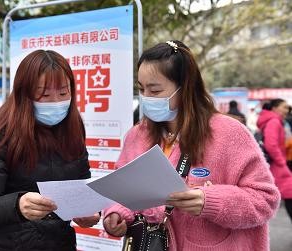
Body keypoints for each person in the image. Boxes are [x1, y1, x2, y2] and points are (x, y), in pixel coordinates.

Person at [103, 41, 280, 250]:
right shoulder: (137, 135)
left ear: (185, 87)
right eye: (142, 89)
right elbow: (123, 190)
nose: (146, 98)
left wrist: (209, 201)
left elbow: (265, 200)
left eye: (155, 90)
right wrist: (116, 212)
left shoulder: (229, 133)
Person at [0, 50, 100, 251]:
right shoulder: (2, 133)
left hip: (60, 244)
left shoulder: (73, 127)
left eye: (63, 93)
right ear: (25, 94)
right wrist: (17, 205)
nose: (56, 102)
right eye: (45, 95)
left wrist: (88, 209)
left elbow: (81, 183)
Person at [257, 99, 292, 221]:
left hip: (276, 163)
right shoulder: (274, 121)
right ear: (274, 108)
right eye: (284, 107)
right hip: (278, 164)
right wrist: (282, 162)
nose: (286, 110)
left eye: (287, 108)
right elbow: (271, 144)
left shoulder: (274, 121)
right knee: (289, 194)